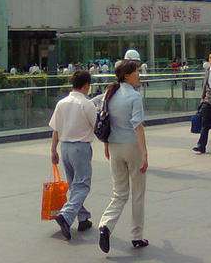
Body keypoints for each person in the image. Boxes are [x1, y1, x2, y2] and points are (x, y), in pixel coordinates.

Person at [98, 53, 149, 253]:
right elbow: (138, 126)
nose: (139, 75)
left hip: (114, 146)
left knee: (119, 193)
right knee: (137, 193)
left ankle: (106, 225)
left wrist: (106, 145)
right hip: (131, 146)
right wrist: (144, 154)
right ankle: (137, 236)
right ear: (127, 75)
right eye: (136, 72)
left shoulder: (109, 94)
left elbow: (104, 120)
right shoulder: (134, 96)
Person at [49, 70, 97, 241]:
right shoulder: (86, 104)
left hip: (65, 147)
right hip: (80, 147)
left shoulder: (61, 103)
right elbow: (97, 125)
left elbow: (56, 128)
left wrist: (53, 149)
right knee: (82, 185)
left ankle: (83, 218)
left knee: (74, 185)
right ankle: (66, 215)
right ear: (86, 85)